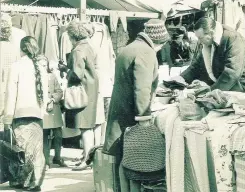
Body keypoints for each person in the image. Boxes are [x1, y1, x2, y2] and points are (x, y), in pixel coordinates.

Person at [103, 19, 170, 192]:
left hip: (120, 109)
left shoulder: (130, 47)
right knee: (134, 162)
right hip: (131, 114)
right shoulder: (146, 52)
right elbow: (142, 87)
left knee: (123, 158)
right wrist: (144, 116)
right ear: (159, 41)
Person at [175, 17, 245, 104]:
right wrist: (179, 79)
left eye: (201, 38)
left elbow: (232, 71)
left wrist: (212, 92)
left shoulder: (232, 38)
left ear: (211, 33)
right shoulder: (208, 43)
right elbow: (196, 65)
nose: (199, 41)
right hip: (242, 87)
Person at [2, 36, 48, 191]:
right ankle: (36, 181)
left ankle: (23, 180)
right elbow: (45, 95)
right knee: (36, 150)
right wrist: (41, 112)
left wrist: (7, 117)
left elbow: (11, 94)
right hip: (36, 114)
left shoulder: (16, 67)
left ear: (21, 49)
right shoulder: (40, 67)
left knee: (22, 150)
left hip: (20, 114)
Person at [59, 21, 102, 171]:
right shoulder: (88, 46)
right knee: (88, 125)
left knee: (84, 126)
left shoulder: (77, 50)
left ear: (73, 35)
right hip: (90, 88)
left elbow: (77, 73)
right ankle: (86, 157)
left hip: (82, 90)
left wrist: (65, 70)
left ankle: (87, 160)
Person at [38, 57, 66, 170]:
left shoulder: (52, 76)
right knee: (45, 135)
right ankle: (45, 160)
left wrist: (53, 99)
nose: (44, 68)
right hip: (43, 109)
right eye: (41, 66)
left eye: (45, 66)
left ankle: (57, 157)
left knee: (58, 133)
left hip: (54, 108)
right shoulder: (35, 78)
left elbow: (59, 91)